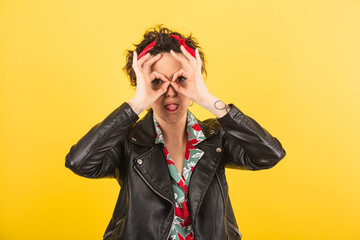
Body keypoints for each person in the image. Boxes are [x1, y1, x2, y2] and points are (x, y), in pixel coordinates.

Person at [65, 24, 286, 240]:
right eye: (157, 81)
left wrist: (207, 99)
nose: (170, 91)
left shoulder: (216, 136)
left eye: (180, 78)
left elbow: (269, 154)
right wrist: (138, 103)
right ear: (142, 84)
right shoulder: (128, 141)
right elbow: (79, 162)